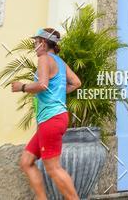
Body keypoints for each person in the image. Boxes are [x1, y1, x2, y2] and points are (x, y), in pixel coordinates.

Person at [12, 27, 82, 200]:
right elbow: (76, 83)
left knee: (53, 168)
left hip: (51, 119)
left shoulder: (44, 59)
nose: (34, 47)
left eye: (35, 43)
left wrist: (21, 87)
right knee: (26, 162)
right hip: (54, 119)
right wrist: (57, 93)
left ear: (43, 43)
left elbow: (42, 85)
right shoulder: (59, 62)